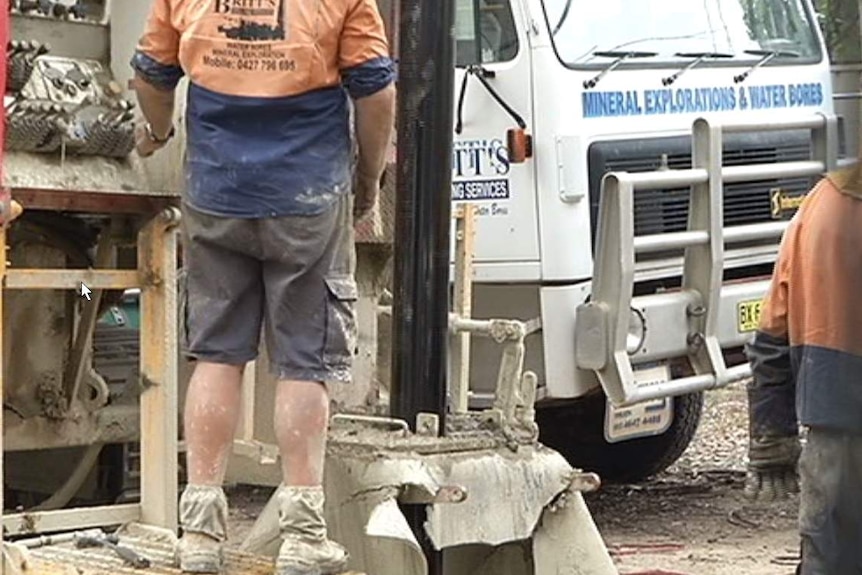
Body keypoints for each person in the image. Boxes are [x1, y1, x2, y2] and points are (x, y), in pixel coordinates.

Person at [130, 1, 396, 574]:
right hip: (307, 196)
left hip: (216, 192)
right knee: (303, 362)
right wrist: (370, 182)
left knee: (218, 355)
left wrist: (158, 131)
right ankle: (303, 536)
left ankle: (199, 533)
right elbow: (375, 92)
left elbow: (151, 76)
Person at [744, 164, 862, 574]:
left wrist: (771, 432)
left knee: (829, 554)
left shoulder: (822, 203)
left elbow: (772, 331)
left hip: (835, 432)